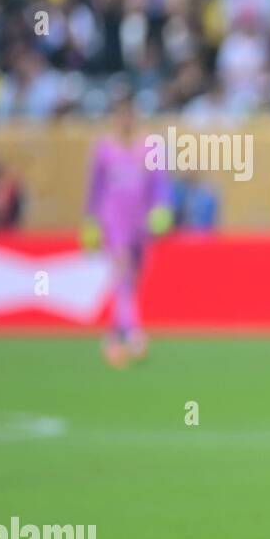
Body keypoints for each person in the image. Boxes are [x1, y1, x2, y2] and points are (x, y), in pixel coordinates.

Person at [82, 93, 173, 367]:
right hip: (113, 220)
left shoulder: (151, 146)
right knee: (122, 272)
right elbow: (95, 187)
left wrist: (162, 208)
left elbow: (160, 182)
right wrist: (91, 220)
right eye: (121, 114)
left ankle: (113, 336)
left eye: (129, 113)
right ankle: (133, 334)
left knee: (134, 277)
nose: (126, 119)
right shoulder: (104, 148)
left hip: (140, 221)